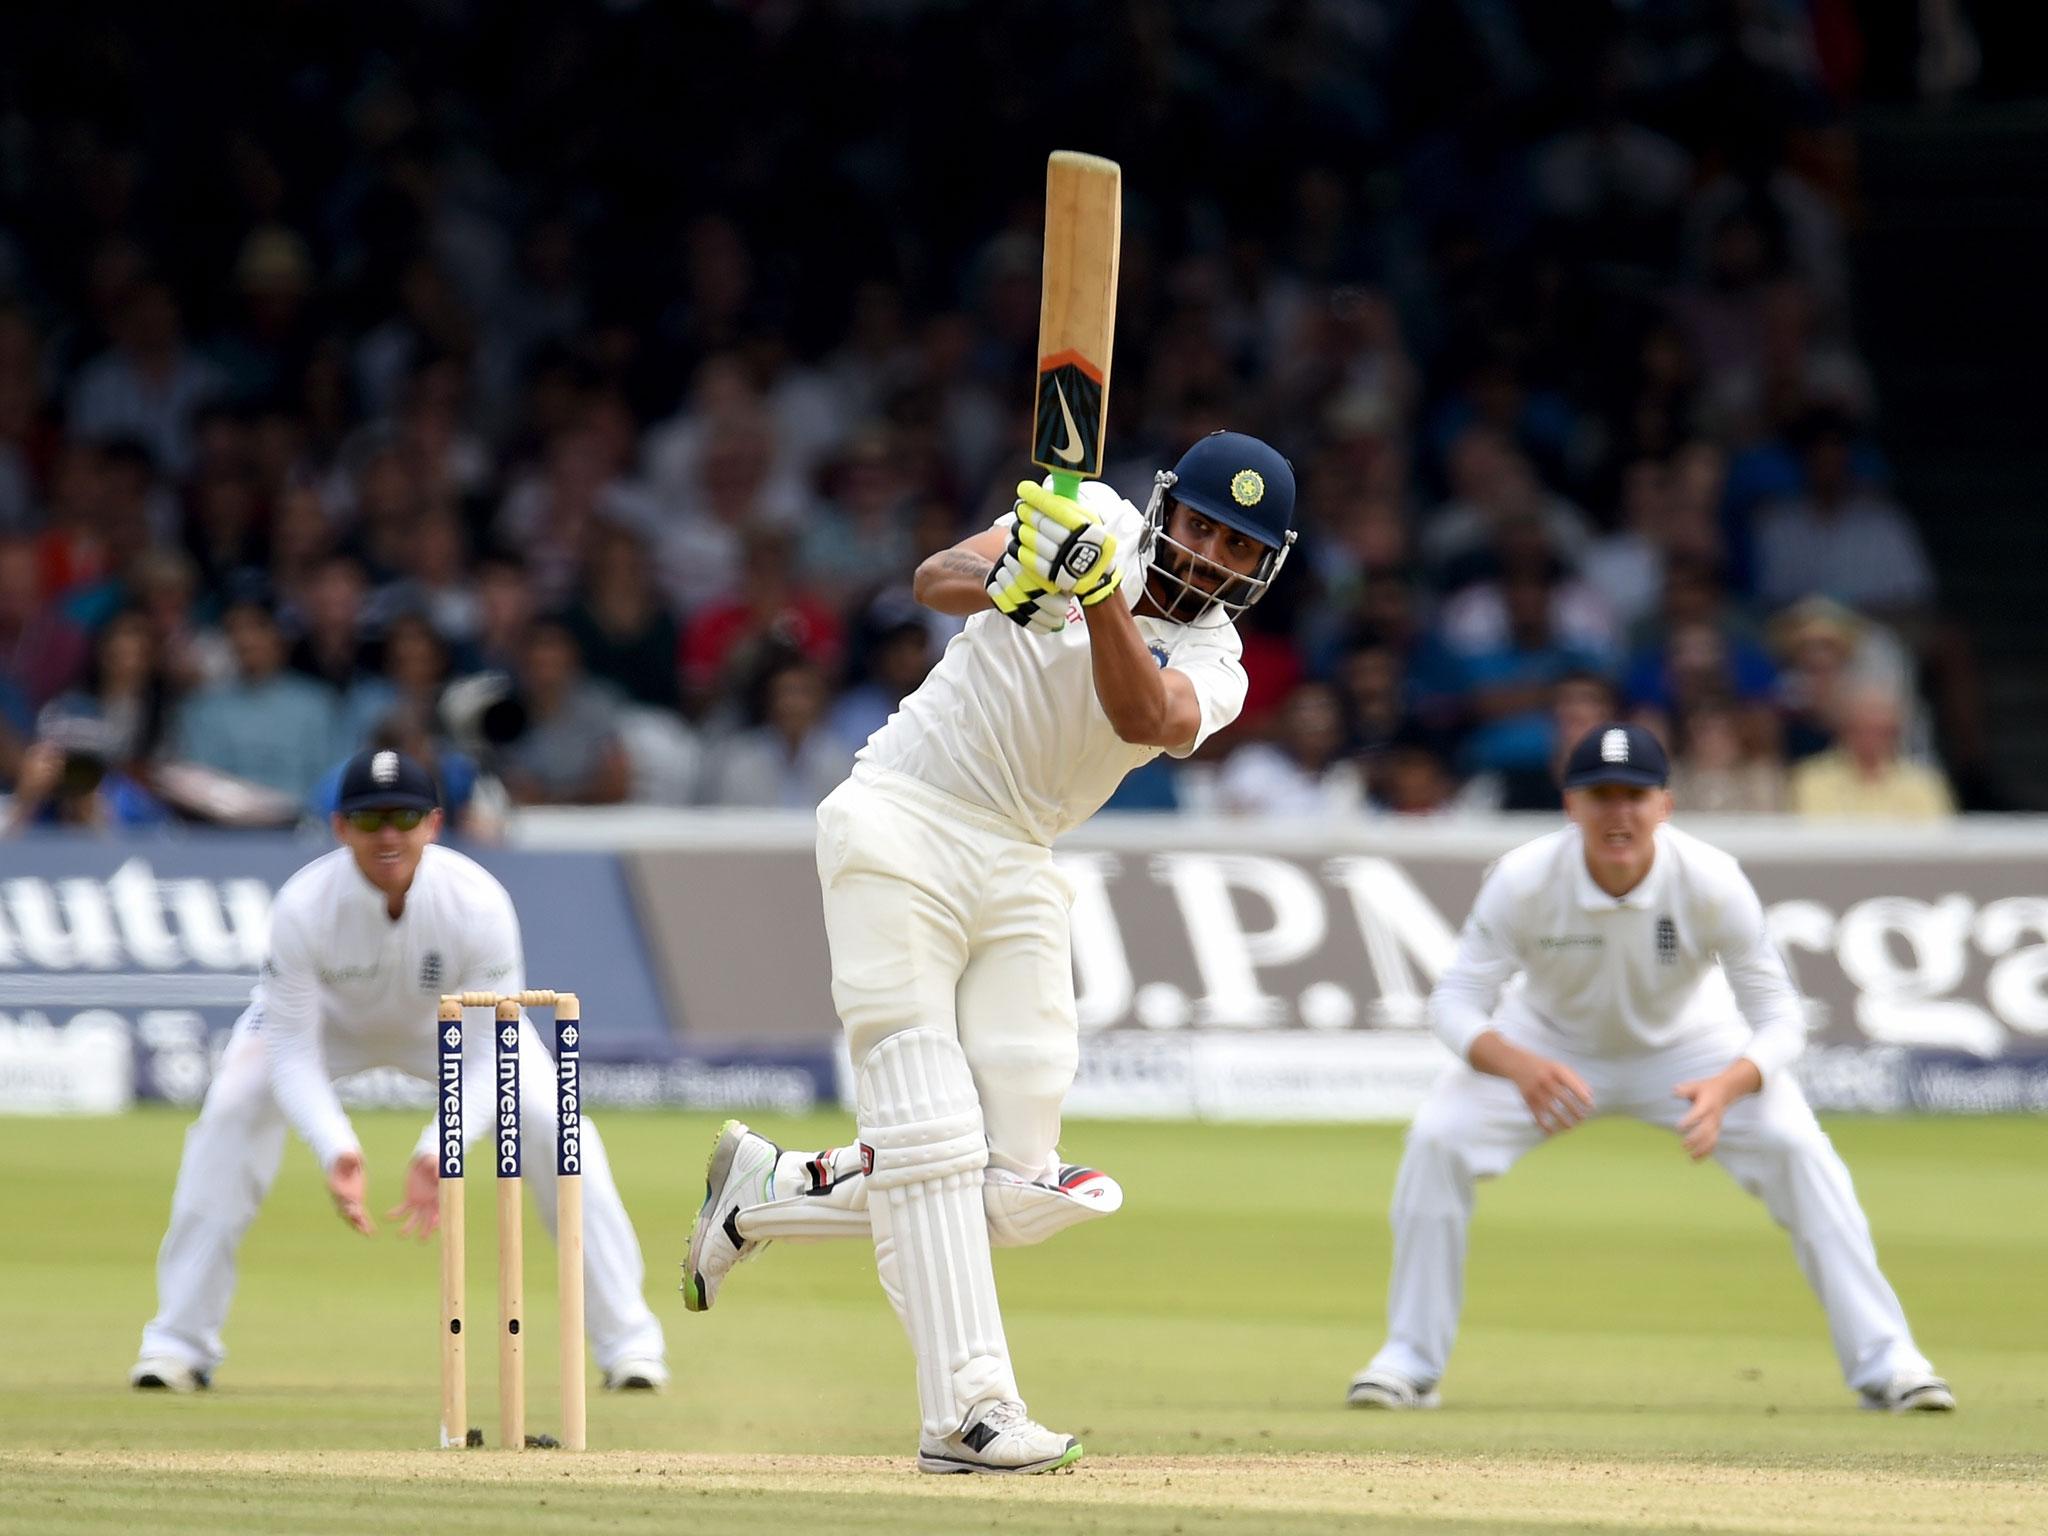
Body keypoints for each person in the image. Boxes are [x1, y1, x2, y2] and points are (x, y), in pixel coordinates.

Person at [682, 431, 1298, 1474]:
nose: (1212, 558)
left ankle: (773, 1189)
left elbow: (1139, 711)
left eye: (1239, 549)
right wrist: (1013, 577)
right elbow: (933, 580)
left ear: (1263, 567)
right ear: (1164, 510)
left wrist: (1095, 597)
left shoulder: (1216, 662)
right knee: (926, 1138)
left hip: (1019, 858)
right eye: (1201, 528)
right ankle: (967, 1415)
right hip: (902, 815)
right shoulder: (1090, 516)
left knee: (1016, 1189)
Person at [1346, 723, 1953, 1415]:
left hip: (1691, 1051)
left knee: (1797, 1147)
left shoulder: (1711, 880)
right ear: (1571, 806)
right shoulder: (1524, 878)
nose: (1619, 813)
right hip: (1546, 1046)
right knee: (1437, 1140)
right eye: (1600, 796)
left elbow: (1782, 1017)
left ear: (1664, 804)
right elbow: (1453, 1002)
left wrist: (1730, 1084)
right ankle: (1408, 1363)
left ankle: (1892, 1364)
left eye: (1635, 796)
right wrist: (1517, 1065)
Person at [129, 748, 666, 1394]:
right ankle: (176, 1346)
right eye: (369, 819)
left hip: (457, 1032)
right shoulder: (303, 906)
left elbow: (490, 1051)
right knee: (230, 1113)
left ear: (433, 825)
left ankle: (631, 1346)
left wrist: (438, 1146)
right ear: (340, 828)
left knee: (557, 1124)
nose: (388, 835)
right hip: (328, 1033)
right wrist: (336, 1146)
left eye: (404, 818)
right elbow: (292, 1050)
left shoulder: (477, 902)